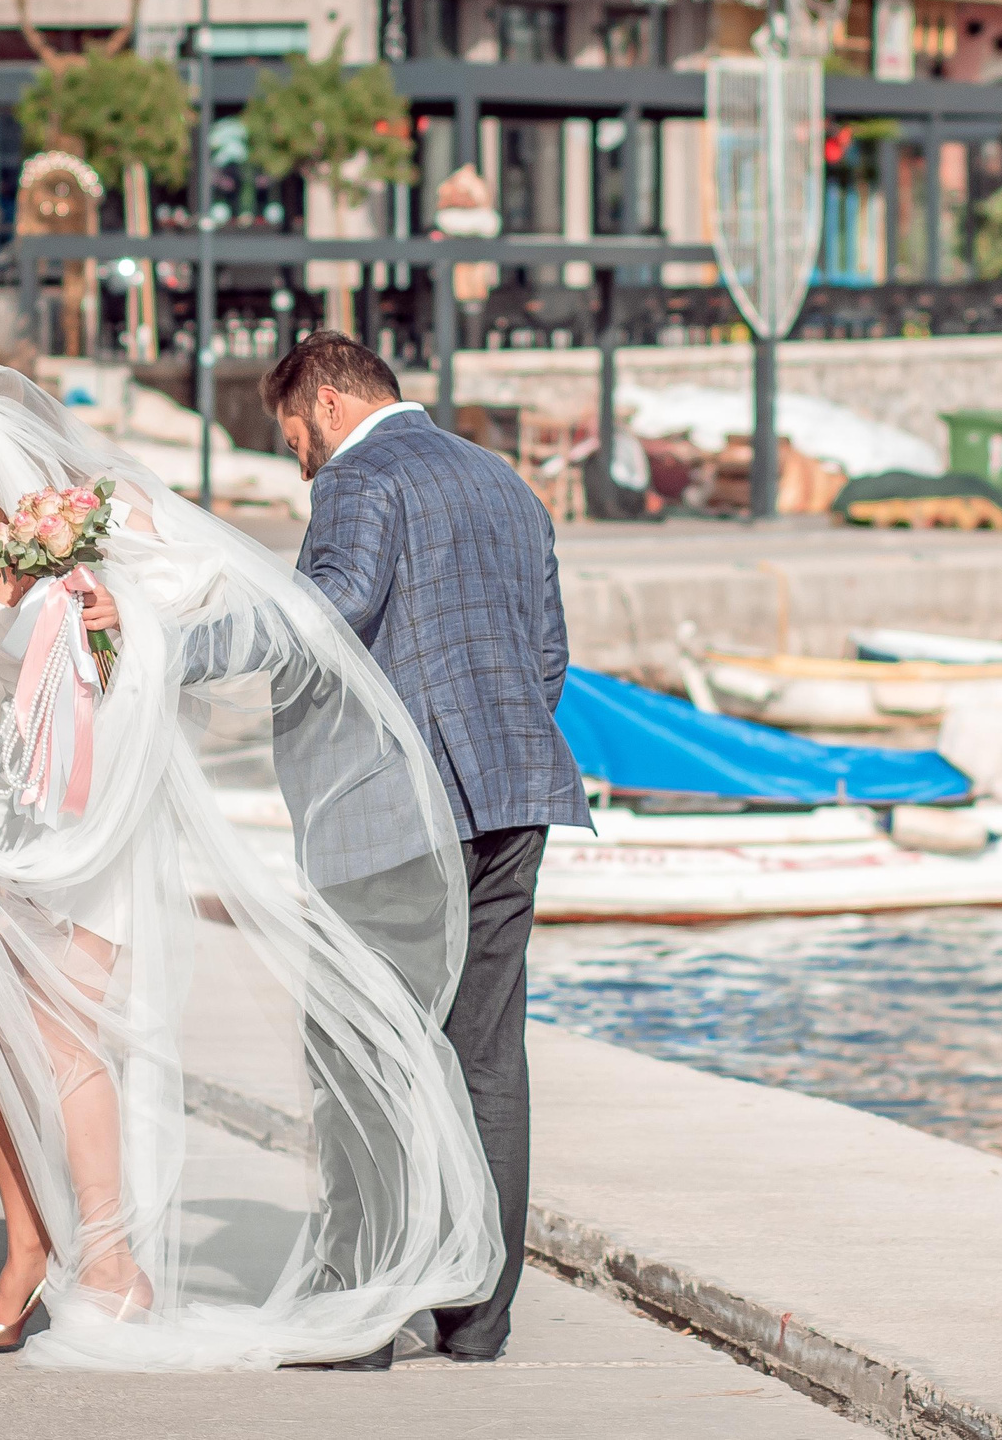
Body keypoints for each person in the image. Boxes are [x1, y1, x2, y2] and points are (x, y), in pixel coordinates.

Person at [0, 366, 498, 1370]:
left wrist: (116, 623)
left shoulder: (100, 522)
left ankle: (109, 1262)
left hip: (105, 803)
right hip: (23, 801)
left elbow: (190, 623)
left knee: (63, 1026)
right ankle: (36, 1239)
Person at [260, 331, 587, 1369]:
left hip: (399, 821)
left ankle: (360, 1317)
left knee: (366, 1054)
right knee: (486, 1059)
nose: (297, 460)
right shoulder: (505, 485)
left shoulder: (358, 478)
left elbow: (334, 610)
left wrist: (201, 641)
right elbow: (547, 657)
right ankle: (476, 1318)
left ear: (322, 398)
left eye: (291, 438)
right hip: (514, 800)